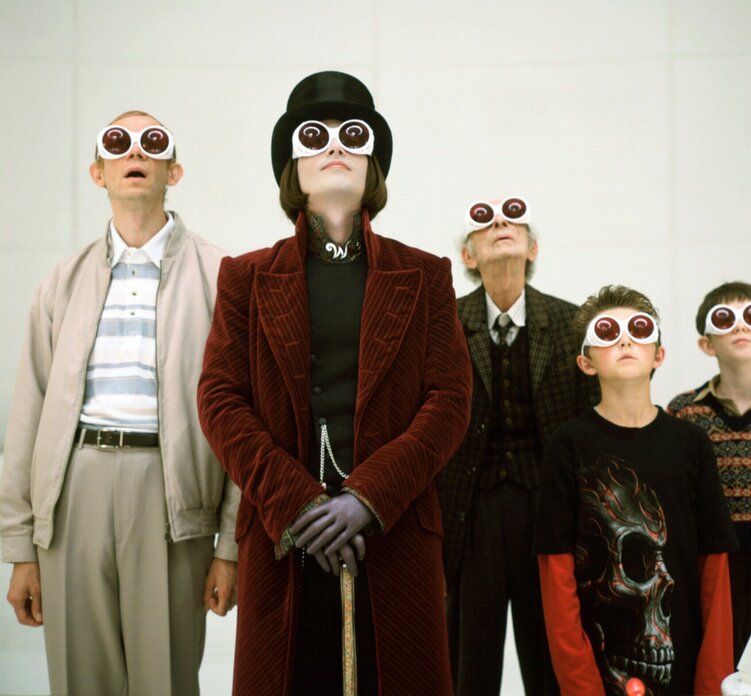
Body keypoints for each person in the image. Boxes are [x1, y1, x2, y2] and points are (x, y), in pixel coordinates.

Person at [196, 71, 472, 696]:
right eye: (313, 137)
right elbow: (220, 400)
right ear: (292, 170)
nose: (335, 146)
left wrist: (367, 497)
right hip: (284, 534)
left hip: (394, 531)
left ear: (372, 164)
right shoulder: (246, 277)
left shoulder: (424, 275)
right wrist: (298, 502)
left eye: (353, 134)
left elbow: (450, 400)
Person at [0, 111, 240, 695]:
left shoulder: (221, 276)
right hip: (73, 494)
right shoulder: (62, 281)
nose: (135, 152)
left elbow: (243, 416)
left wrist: (231, 546)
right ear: (98, 172)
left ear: (173, 171)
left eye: (152, 143)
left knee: (165, 680)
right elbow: (28, 413)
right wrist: (20, 546)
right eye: (118, 143)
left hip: (173, 499)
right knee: (81, 681)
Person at [533, 285, 739, 696]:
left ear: (658, 355)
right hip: (596, 671)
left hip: (683, 669)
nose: (625, 340)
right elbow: (556, 574)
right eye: (607, 332)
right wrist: (582, 688)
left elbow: (714, 568)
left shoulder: (691, 444)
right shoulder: (567, 446)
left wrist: (713, 684)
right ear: (585, 362)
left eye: (640, 329)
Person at [436, 197, 598, 695]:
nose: (501, 223)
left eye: (513, 218)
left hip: (548, 515)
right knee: (468, 666)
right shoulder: (443, 323)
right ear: (468, 255)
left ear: (532, 248)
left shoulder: (571, 323)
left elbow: (591, 426)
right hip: (469, 515)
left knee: (551, 661)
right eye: (485, 222)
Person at [668, 281, 751, 662]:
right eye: (725, 319)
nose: (740, 326)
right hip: (711, 560)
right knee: (716, 662)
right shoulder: (684, 412)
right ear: (706, 344)